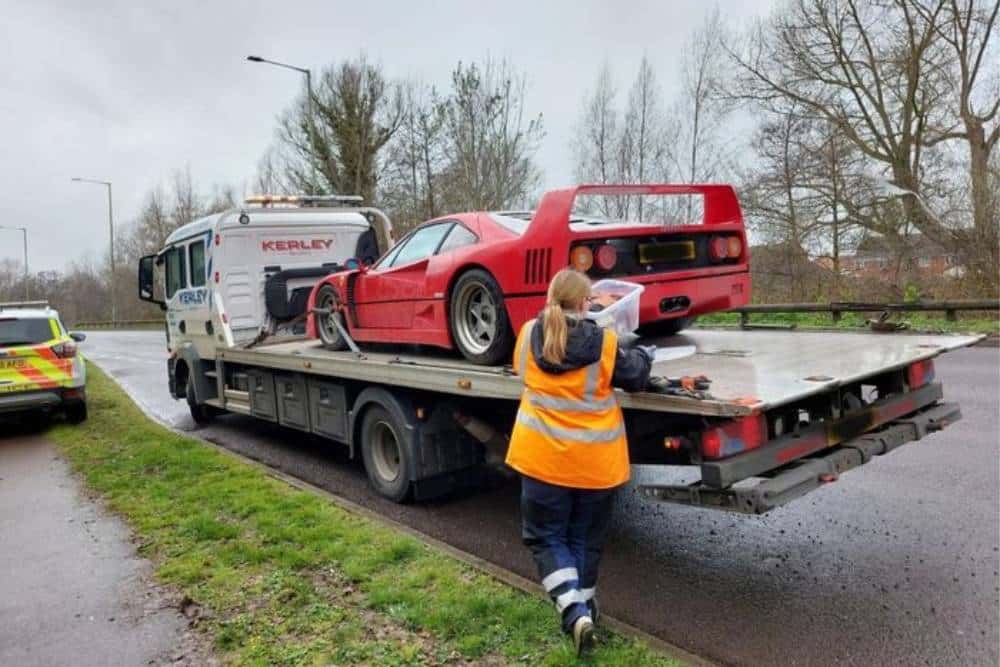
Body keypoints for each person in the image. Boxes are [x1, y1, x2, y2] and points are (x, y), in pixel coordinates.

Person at [505, 268, 653, 656]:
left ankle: (575, 614)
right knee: (585, 539)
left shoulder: (528, 335)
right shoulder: (605, 342)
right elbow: (636, 376)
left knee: (546, 538)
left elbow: (522, 370)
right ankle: (582, 612)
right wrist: (641, 353)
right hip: (594, 465)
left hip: (541, 462)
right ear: (586, 302)